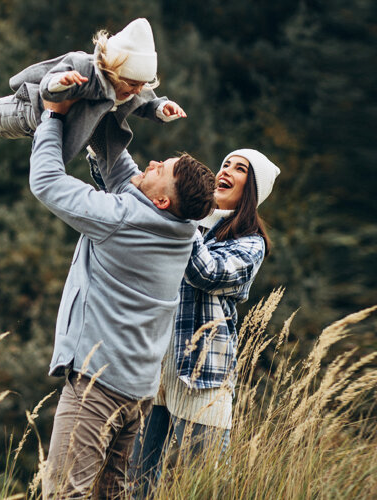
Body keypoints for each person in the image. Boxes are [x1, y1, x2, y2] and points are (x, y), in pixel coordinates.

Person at [29, 97, 216, 499]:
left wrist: (54, 115)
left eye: (159, 170)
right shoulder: (182, 232)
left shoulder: (123, 219)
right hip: (137, 394)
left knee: (65, 494)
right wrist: (114, 104)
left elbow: (45, 182)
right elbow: (119, 167)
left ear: (162, 200)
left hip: (97, 388)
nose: (149, 164)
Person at [128, 148, 281, 495]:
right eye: (226, 163)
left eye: (240, 169)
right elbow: (135, 200)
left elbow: (206, 274)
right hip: (154, 372)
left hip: (202, 378)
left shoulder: (249, 242)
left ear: (252, 189)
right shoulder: (185, 222)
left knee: (206, 487)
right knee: (135, 485)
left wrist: (187, 214)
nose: (226, 170)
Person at [0, 18, 186, 165]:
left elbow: (144, 100)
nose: (136, 91)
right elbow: (50, 82)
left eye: (142, 85)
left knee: (6, 131)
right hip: (30, 109)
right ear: (114, 70)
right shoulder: (84, 67)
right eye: (132, 84)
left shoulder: (131, 90)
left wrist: (160, 108)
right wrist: (59, 84)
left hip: (46, 128)